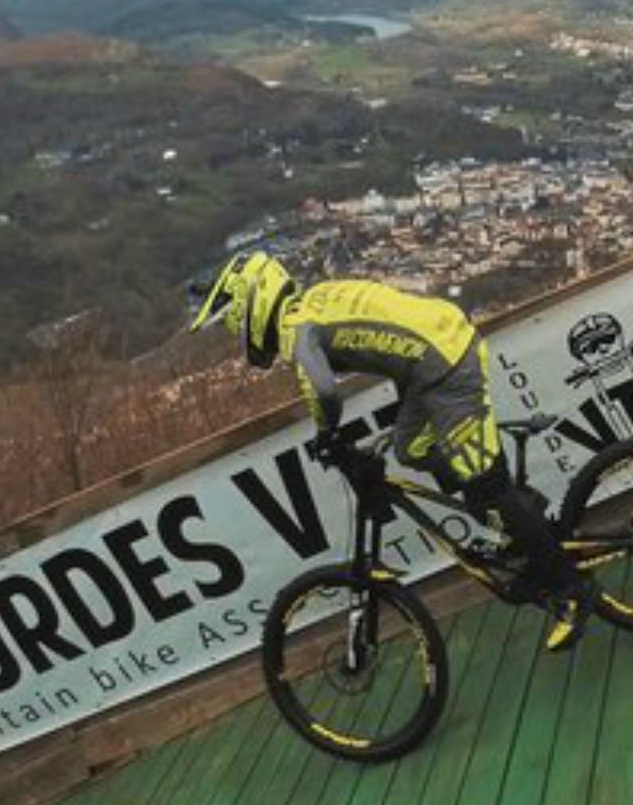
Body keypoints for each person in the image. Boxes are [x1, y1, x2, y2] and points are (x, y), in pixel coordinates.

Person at [188, 252, 590, 651]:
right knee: (409, 448)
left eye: (232, 321)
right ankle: (517, 515)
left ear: (251, 302)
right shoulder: (314, 299)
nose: (235, 332)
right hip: (427, 363)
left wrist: (328, 434)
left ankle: (569, 591)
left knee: (486, 487)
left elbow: (323, 390)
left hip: (444, 368)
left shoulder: (297, 327)